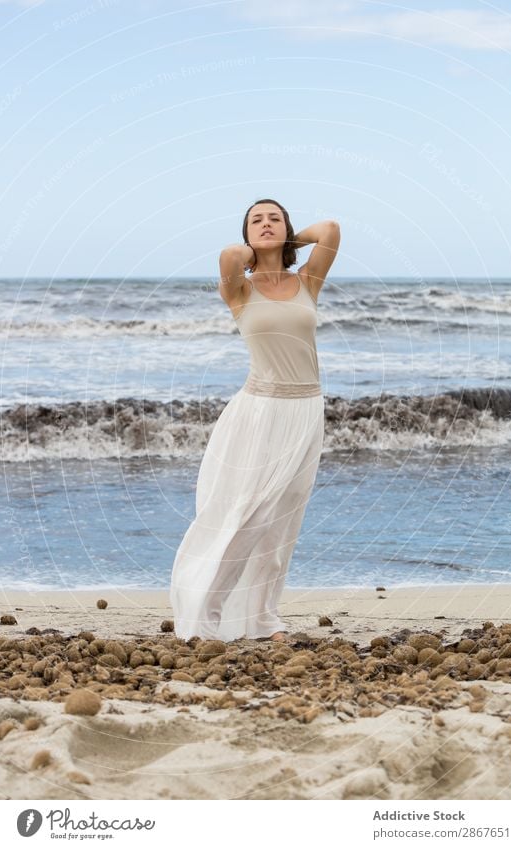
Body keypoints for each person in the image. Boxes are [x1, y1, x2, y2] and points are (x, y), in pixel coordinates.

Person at [170, 198, 340, 642]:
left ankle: (263, 618)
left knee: (282, 521)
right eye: (256, 221)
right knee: (247, 513)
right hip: (259, 411)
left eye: (275, 218)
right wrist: (254, 248)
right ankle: (203, 614)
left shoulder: (308, 281)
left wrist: (287, 243)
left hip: (305, 410)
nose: (266, 224)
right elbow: (229, 258)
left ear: (288, 226)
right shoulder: (239, 289)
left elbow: (331, 230)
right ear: (245, 234)